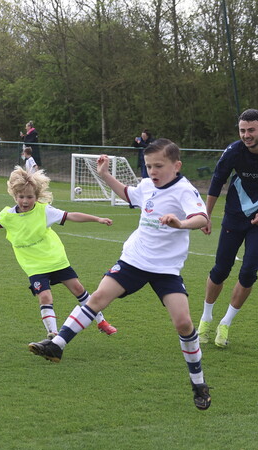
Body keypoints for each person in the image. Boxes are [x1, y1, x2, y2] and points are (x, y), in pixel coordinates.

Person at [28, 139, 212, 411]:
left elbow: (202, 218)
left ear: (176, 166)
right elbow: (129, 194)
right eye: (149, 166)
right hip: (135, 259)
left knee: (183, 323)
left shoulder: (184, 190)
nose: (153, 171)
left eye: (159, 166)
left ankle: (198, 384)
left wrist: (181, 222)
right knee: (99, 297)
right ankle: (57, 345)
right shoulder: (149, 186)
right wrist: (105, 175)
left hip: (166, 269)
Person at [0, 166, 116, 341]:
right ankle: (53, 334)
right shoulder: (8, 215)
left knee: (78, 289)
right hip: (33, 265)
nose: (25, 201)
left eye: (30, 197)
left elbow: (71, 216)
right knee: (45, 296)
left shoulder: (44, 211)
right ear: (15, 196)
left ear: (37, 197)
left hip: (55, 259)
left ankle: (101, 321)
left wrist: (98, 219)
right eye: (21, 197)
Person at [197, 108, 258, 348]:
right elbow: (217, 181)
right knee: (221, 269)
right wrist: (206, 215)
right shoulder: (233, 151)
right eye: (242, 130)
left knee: (249, 271)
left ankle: (225, 324)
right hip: (234, 218)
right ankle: (205, 318)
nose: (246, 135)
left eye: (251, 130)